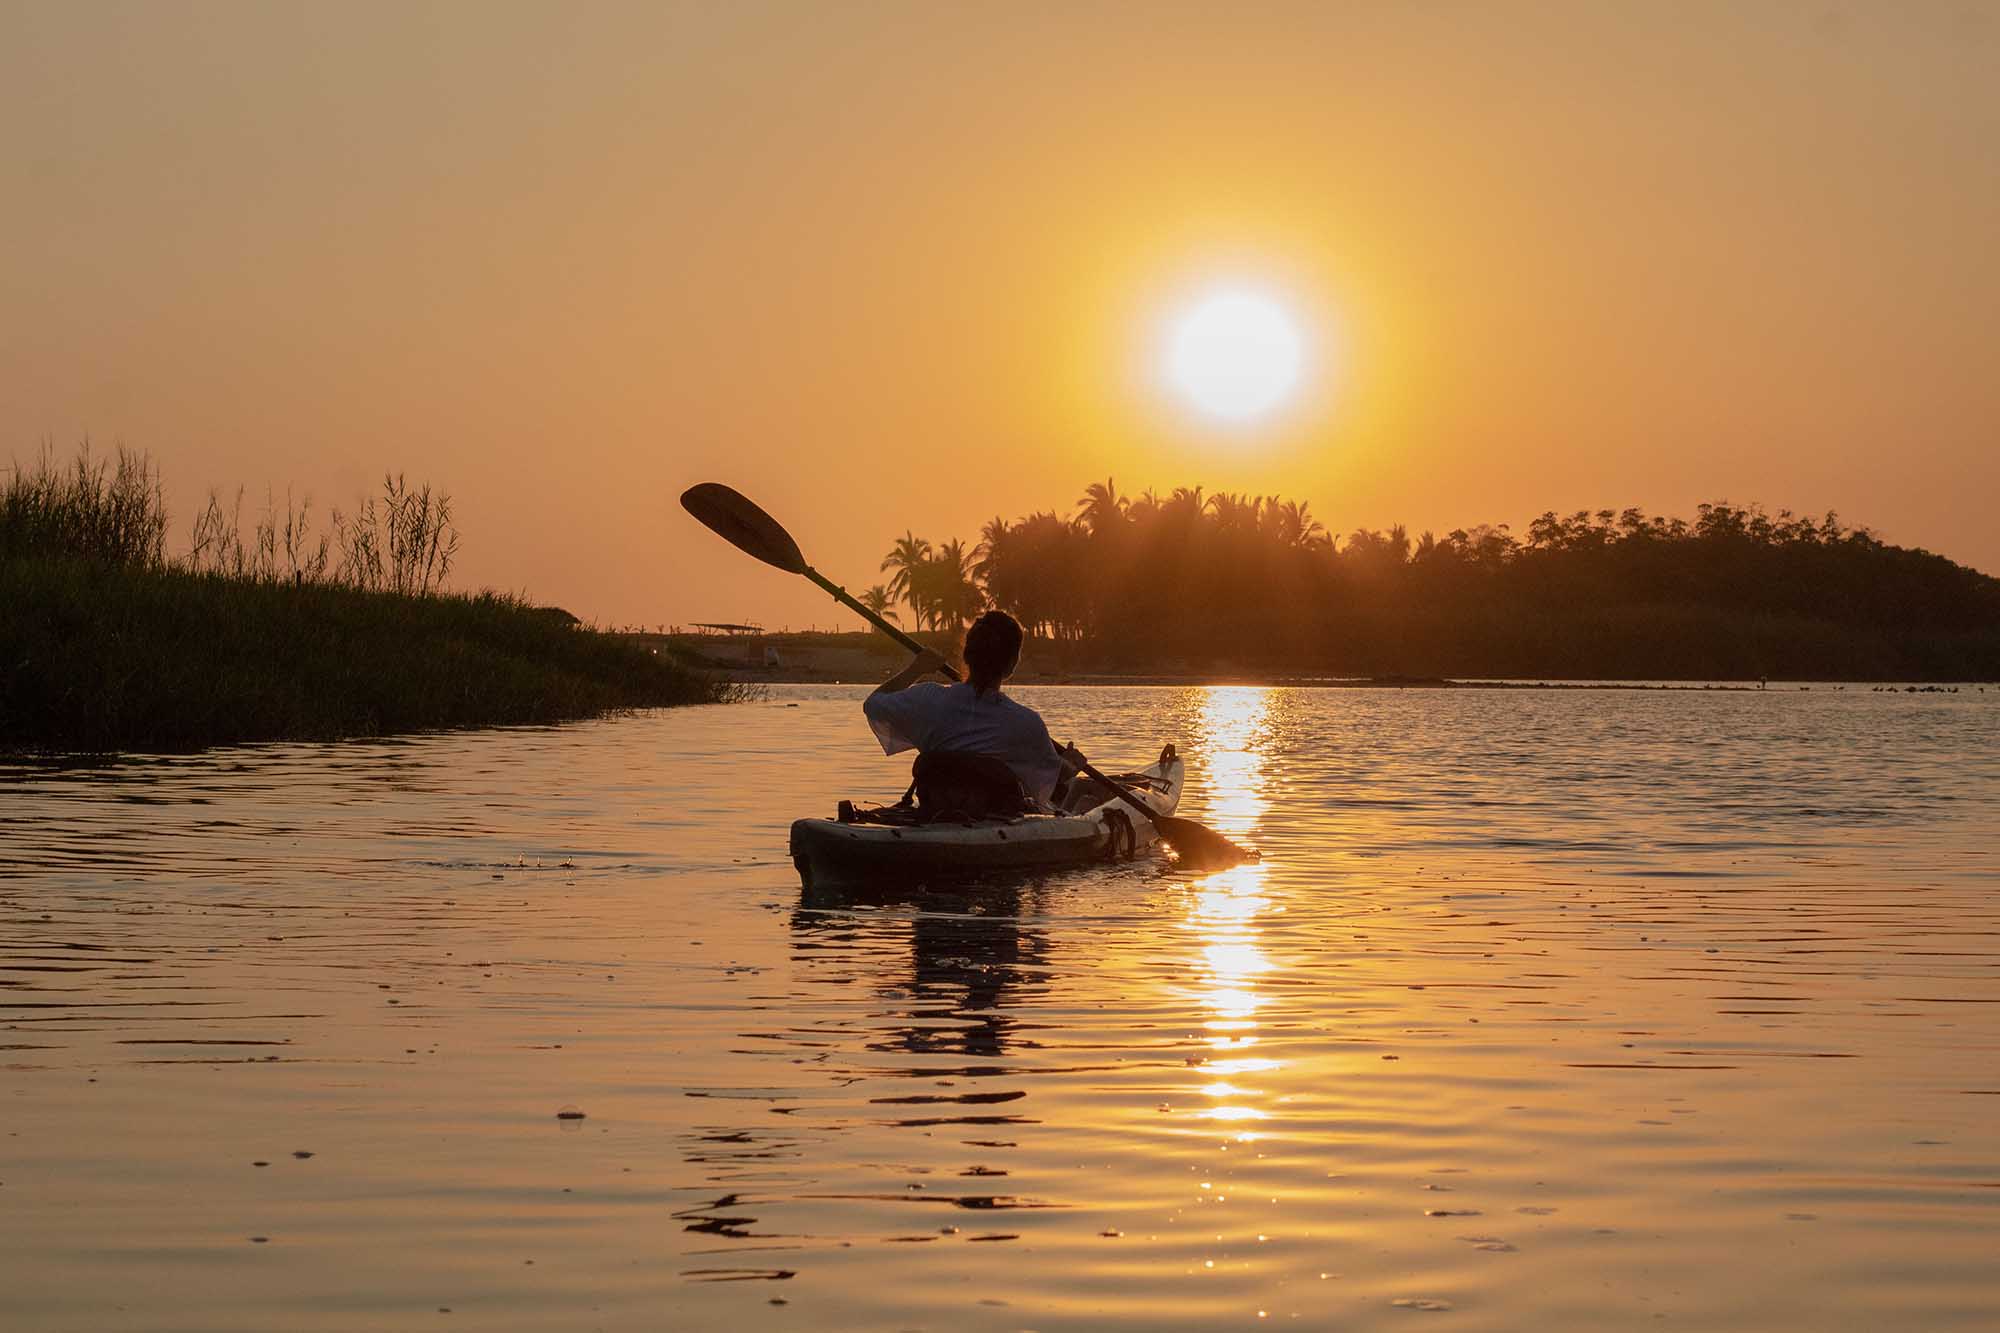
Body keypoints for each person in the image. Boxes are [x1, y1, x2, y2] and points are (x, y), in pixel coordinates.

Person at [863, 610, 1078, 808]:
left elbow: (873, 703)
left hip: (936, 813)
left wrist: (917, 668)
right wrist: (1071, 765)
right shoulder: (1026, 723)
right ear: (1012, 664)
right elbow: (1053, 780)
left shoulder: (927, 698)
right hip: (995, 819)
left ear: (967, 655)